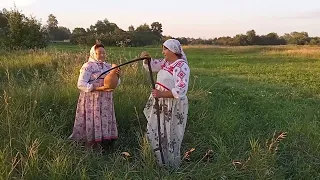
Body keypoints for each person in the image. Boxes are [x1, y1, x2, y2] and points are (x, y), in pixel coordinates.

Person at [141, 39, 190, 168]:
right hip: (161, 102)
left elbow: (181, 90)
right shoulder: (166, 62)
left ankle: (170, 164)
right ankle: (157, 160)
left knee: (170, 132)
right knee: (157, 128)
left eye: (165, 49)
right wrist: (146, 59)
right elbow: (153, 65)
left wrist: (161, 94)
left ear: (173, 50)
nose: (162, 52)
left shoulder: (181, 66)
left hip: (172, 104)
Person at [69, 43, 121, 151]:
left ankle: (104, 145)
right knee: (93, 119)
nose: (102, 55)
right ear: (93, 53)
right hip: (93, 100)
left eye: (103, 52)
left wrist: (117, 75)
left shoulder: (108, 66)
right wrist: (98, 88)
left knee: (103, 119)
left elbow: (116, 83)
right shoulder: (88, 66)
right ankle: (91, 146)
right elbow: (81, 84)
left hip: (105, 100)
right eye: (99, 53)